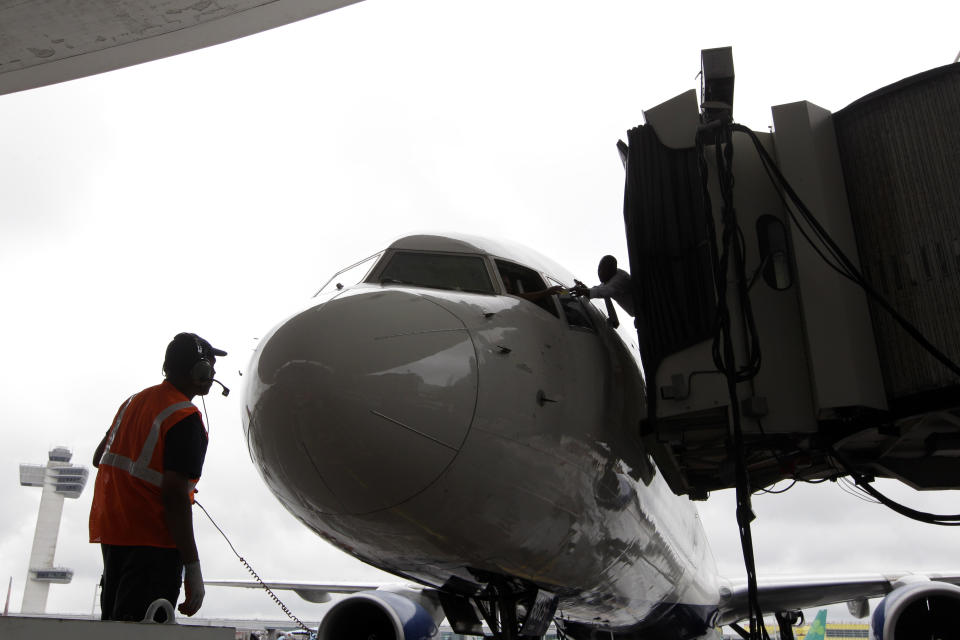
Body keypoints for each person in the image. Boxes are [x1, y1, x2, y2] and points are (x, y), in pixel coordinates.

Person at [89, 332, 227, 622]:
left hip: (114, 538)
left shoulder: (133, 402)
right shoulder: (184, 417)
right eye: (210, 365)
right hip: (154, 545)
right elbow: (174, 495)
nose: (214, 373)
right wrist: (192, 567)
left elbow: (99, 458)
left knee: (115, 626)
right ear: (198, 371)